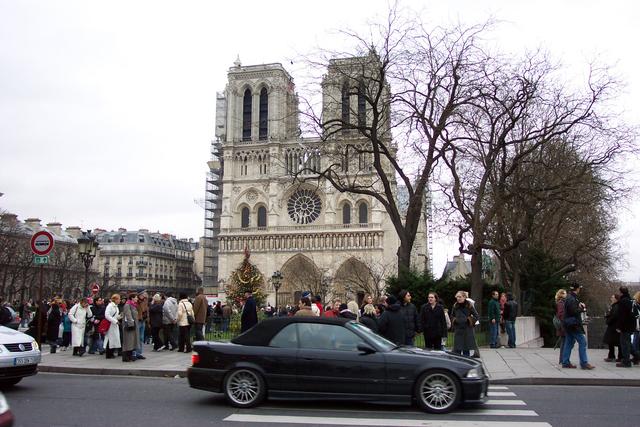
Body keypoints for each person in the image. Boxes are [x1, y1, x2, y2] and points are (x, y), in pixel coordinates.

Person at [561, 283, 595, 369]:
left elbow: (570, 310)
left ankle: (565, 362)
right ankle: (584, 363)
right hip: (573, 324)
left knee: (568, 343)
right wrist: (582, 308)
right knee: (583, 342)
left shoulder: (569, 297)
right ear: (577, 289)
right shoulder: (572, 299)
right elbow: (574, 311)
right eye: (579, 288)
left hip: (568, 324)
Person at [451, 291, 478, 356]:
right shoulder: (455, 306)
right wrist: (455, 320)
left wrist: (469, 320)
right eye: (457, 297)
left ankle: (466, 365)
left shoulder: (469, 305)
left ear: (464, 297)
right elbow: (452, 316)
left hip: (467, 330)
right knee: (457, 351)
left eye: (460, 297)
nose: (458, 298)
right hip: (458, 330)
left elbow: (476, 316)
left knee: (466, 351)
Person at [616, 286, 635, 368]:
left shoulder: (623, 301)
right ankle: (637, 356)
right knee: (628, 343)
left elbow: (622, 316)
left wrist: (619, 326)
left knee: (624, 344)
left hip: (625, 326)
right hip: (631, 324)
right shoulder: (630, 300)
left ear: (621, 292)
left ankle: (626, 361)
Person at [602, 294, 620, 362]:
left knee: (612, 342)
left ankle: (612, 356)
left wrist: (608, 320)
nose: (611, 298)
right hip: (614, 326)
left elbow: (614, 316)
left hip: (613, 326)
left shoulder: (616, 306)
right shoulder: (615, 306)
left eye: (612, 297)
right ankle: (616, 356)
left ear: (616, 299)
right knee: (614, 342)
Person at [554, 289, 567, 364]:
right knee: (564, 342)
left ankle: (562, 359)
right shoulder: (561, 303)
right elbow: (561, 314)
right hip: (563, 326)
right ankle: (562, 360)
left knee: (564, 342)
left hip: (562, 326)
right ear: (561, 294)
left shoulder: (561, 302)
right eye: (565, 293)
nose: (566, 294)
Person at [135, 292, 148, 360]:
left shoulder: (145, 301)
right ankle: (135, 353)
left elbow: (146, 310)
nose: (144, 295)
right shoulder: (136, 302)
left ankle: (139, 353)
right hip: (138, 320)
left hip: (143, 320)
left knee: (141, 337)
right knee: (137, 337)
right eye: (143, 294)